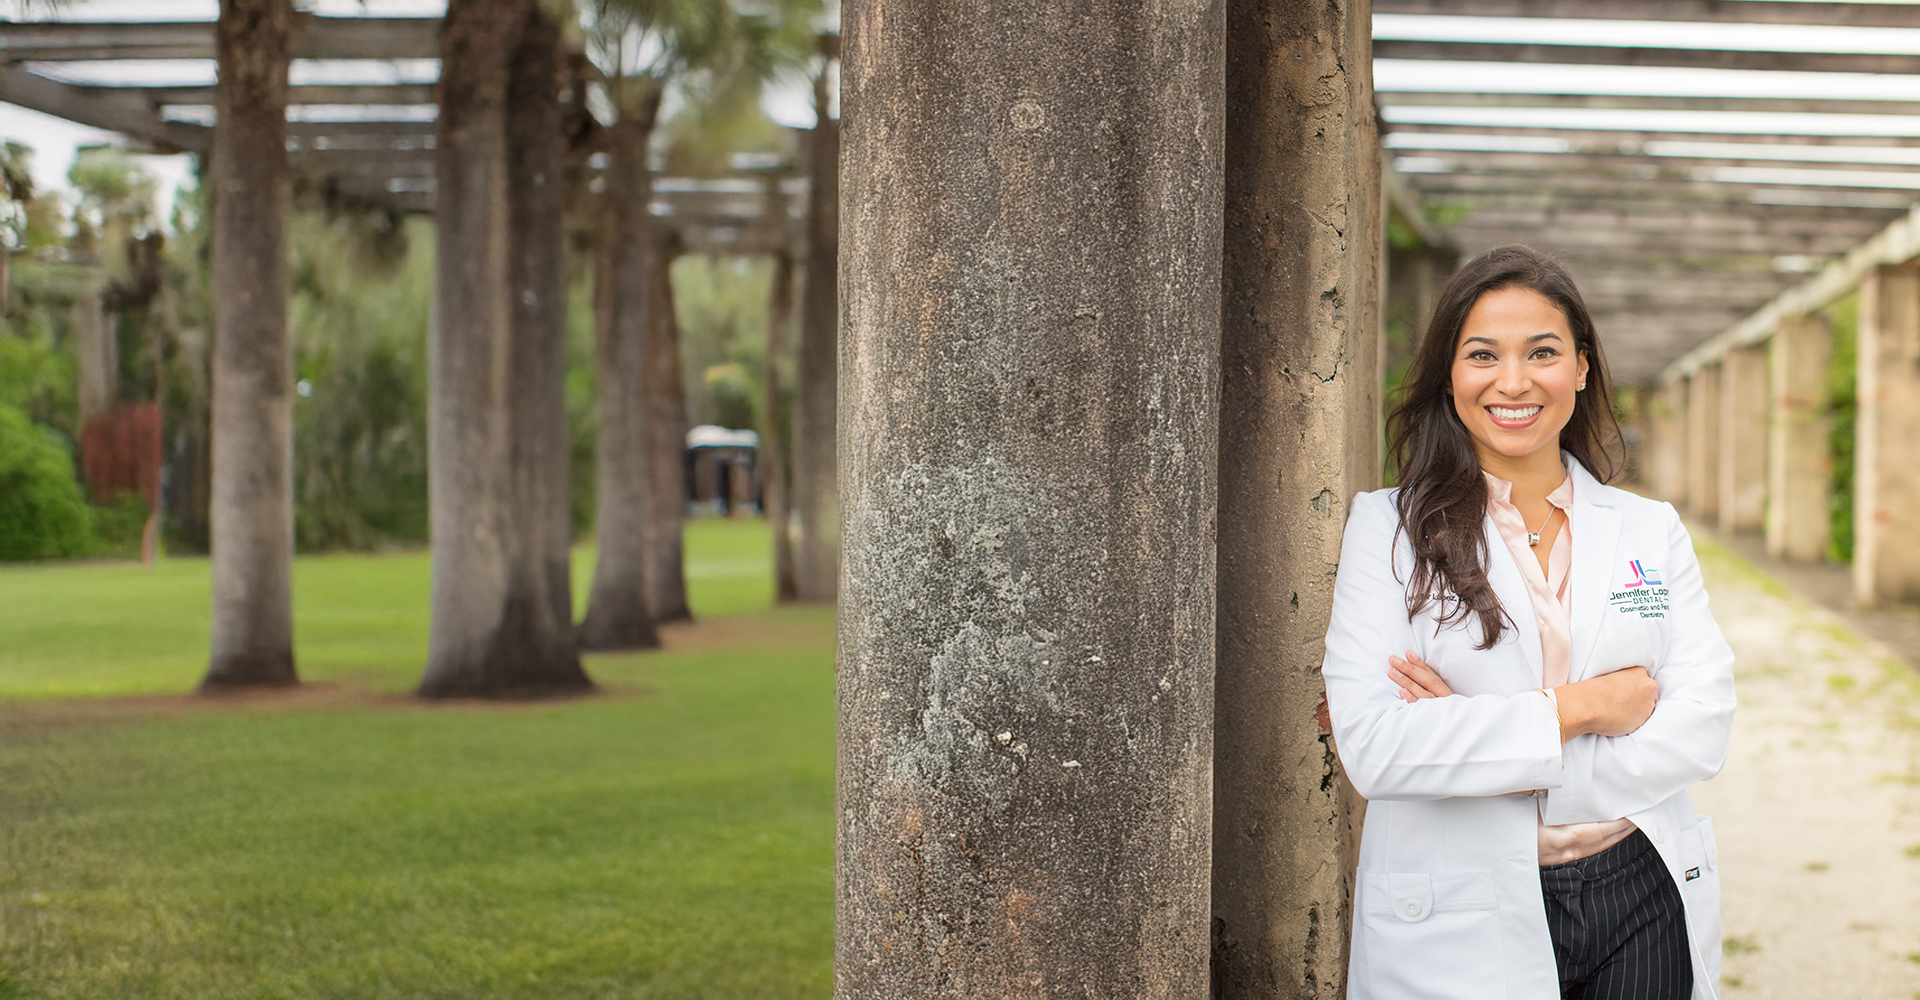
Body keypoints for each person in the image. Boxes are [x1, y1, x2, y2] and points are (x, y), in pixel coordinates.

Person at [1321, 245, 1736, 1000]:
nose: (1513, 382)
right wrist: (1583, 710)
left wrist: (1488, 744)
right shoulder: (1387, 530)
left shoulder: (1649, 529)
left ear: (1580, 366)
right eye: (1483, 354)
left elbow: (1702, 722)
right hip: (1458, 901)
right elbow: (1378, 750)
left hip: (1638, 889)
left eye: (1542, 352)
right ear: (1451, 373)